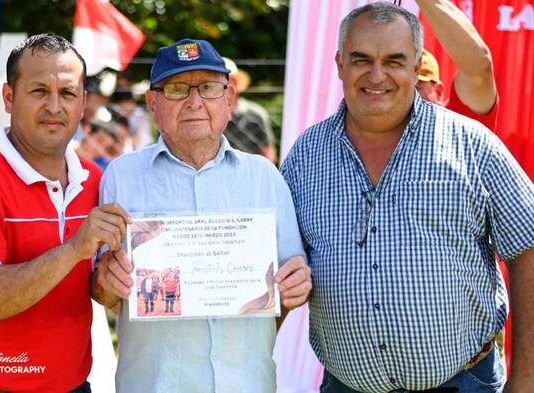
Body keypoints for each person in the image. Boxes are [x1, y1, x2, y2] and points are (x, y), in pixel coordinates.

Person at [281, 3, 534, 392]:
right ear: (338, 64)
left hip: (464, 382)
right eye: (361, 59)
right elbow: (282, 264)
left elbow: (528, 247)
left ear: (417, 67)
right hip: (346, 385)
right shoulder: (304, 157)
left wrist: (527, 380)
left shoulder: (471, 144)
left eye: (394, 61)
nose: (377, 75)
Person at [91, 38, 312, 393]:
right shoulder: (121, 176)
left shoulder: (265, 177)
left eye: (208, 88)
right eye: (177, 89)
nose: (195, 102)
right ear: (153, 103)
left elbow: (288, 285)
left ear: (228, 100)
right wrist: (106, 280)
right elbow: (102, 292)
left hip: (247, 385)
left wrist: (295, 283)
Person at [0, 33, 130, 392]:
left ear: (83, 102)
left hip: (72, 385)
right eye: (39, 91)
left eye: (68, 93)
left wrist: (112, 282)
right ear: (9, 98)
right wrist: (74, 249)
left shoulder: (95, 180)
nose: (54, 106)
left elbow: (94, 289)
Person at [415, 0, 498, 130]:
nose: (408, 98)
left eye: (416, 88)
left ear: (438, 92)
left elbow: (479, 67)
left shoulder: (456, 123)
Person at [223, 58, 277, 163]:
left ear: (234, 83)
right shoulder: (205, 115)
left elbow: (267, 150)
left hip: (249, 173)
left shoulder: (255, 114)